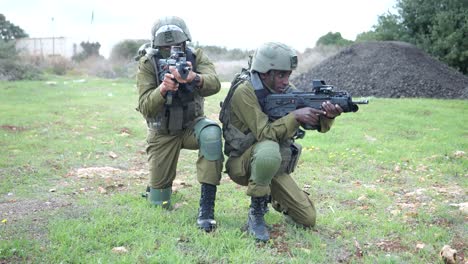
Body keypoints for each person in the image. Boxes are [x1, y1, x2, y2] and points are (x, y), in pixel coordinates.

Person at [219, 42, 343, 241]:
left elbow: (316, 125)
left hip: (272, 164)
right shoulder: (245, 92)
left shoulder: (285, 89)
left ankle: (272, 194)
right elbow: (265, 133)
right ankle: (256, 215)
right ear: (264, 72)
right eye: (280, 75)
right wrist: (295, 117)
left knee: (308, 218)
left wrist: (327, 116)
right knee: (268, 147)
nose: (286, 81)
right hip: (242, 163)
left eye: (288, 75)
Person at [136, 16, 223, 232]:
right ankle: (156, 187)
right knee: (160, 203)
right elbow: (145, 106)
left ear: (185, 42)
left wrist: (194, 78)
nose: (171, 51)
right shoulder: (148, 63)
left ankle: (206, 208)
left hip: (191, 126)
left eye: (176, 46)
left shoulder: (196, 56)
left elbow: (215, 84)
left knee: (212, 134)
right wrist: (162, 89)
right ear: (156, 46)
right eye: (165, 47)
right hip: (163, 133)